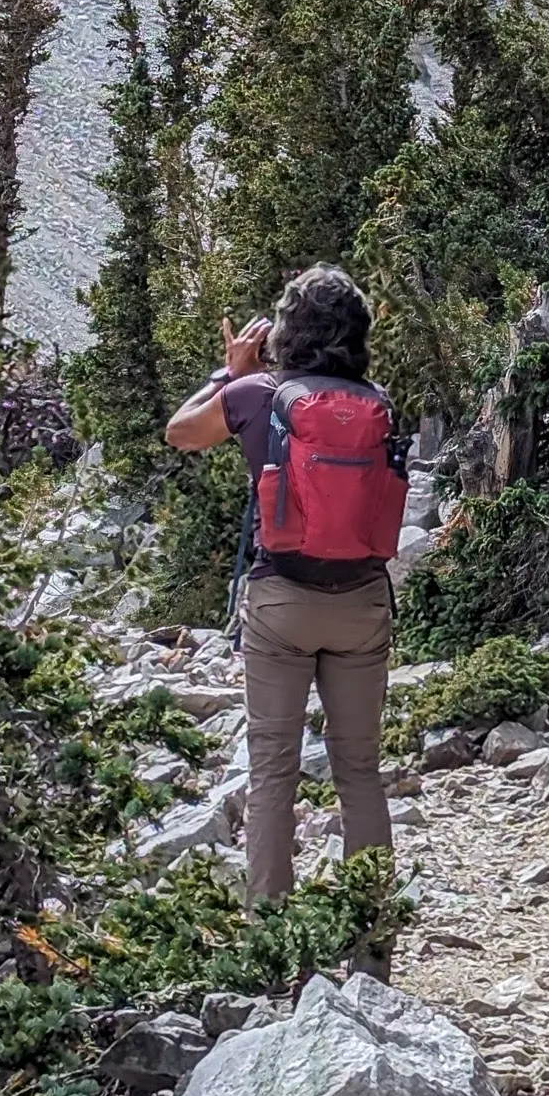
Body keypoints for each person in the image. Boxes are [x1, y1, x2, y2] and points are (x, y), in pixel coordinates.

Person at [163, 263, 403, 908]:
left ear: (283, 332)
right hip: (362, 600)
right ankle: (369, 936)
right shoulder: (376, 404)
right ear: (357, 333)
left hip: (281, 601)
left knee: (273, 772)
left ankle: (270, 935)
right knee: (359, 770)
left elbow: (182, 432)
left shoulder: (255, 394)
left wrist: (229, 371)